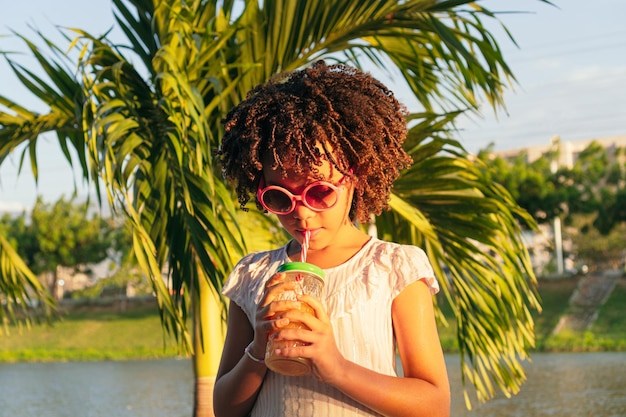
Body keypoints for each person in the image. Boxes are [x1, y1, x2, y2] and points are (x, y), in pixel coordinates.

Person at [213, 60, 450, 417]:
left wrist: (336, 367)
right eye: (279, 197)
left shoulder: (392, 268)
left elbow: (434, 405)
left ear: (355, 177)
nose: (302, 214)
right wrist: (259, 348)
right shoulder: (253, 276)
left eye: (319, 193)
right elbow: (225, 410)